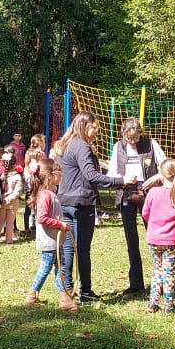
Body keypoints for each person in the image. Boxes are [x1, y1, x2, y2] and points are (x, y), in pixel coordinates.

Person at [54, 111, 132, 303]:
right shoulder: (82, 146)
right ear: (84, 126)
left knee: (69, 248)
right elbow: (91, 175)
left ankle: (68, 289)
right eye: (94, 126)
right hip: (81, 203)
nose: (97, 130)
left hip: (65, 201)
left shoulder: (66, 144)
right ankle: (85, 292)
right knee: (82, 249)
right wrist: (120, 181)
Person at [108, 118, 168, 296]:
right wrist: (121, 179)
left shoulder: (151, 144)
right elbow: (112, 172)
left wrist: (156, 178)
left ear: (141, 133)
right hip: (126, 192)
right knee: (131, 239)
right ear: (123, 134)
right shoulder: (118, 147)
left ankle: (163, 279)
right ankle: (136, 283)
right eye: (129, 138)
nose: (133, 141)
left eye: (136, 137)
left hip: (149, 194)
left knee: (156, 237)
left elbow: (166, 166)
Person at [141, 159, 175, 314]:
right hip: (172, 242)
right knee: (168, 273)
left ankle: (153, 303)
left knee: (157, 270)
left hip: (154, 240)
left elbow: (145, 213)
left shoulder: (153, 193)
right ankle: (168, 305)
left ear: (161, 176)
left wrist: (154, 225)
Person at [25, 158, 76, 310]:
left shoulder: (49, 193)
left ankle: (64, 300)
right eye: (59, 172)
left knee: (60, 268)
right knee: (46, 268)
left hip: (55, 239)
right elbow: (41, 218)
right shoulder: (46, 195)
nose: (61, 175)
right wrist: (60, 224)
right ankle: (32, 295)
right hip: (49, 241)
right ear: (51, 175)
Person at [0, 148, 23, 244]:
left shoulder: (1, 176)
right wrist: (9, 199)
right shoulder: (17, 177)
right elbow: (17, 192)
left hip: (2, 201)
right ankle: (8, 240)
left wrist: (3, 199)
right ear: (15, 165)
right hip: (13, 202)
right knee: (10, 223)